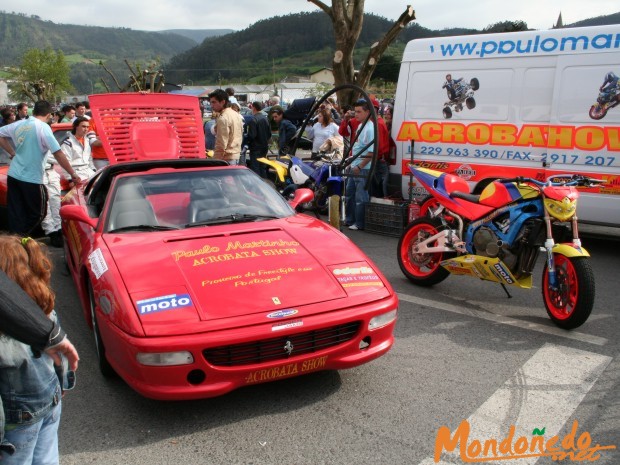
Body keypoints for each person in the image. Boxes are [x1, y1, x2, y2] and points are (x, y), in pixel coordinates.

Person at [0, 235, 79, 464]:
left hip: (18, 417)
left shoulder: (6, 334)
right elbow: (61, 356)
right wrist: (62, 385)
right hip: (51, 400)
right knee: (47, 457)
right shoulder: (44, 312)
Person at [0, 100, 81, 236]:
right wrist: (73, 173)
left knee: (16, 213)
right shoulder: (43, 127)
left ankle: (16, 242)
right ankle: (23, 238)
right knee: (39, 214)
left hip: (13, 175)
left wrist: (12, 153)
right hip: (31, 179)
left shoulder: (19, 124)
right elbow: (58, 153)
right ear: (49, 114)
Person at [344, 99, 374, 231]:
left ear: (367, 112)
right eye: (355, 111)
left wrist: (360, 166)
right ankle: (350, 219)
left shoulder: (370, 128)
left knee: (360, 197)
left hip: (362, 168)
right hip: (355, 166)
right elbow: (358, 147)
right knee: (350, 194)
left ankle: (359, 223)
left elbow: (371, 152)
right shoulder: (361, 126)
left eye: (359, 112)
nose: (356, 114)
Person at [208, 89, 243, 164]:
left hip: (226, 158)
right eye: (210, 102)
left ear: (223, 102)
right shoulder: (236, 114)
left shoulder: (223, 118)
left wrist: (216, 161)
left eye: (214, 102)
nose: (211, 105)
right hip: (236, 155)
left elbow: (221, 143)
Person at [60, 117, 96, 182]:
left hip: (89, 171)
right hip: (76, 173)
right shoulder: (68, 143)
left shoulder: (87, 141)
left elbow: (89, 158)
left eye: (87, 127)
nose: (86, 129)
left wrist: (93, 170)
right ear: (76, 127)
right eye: (83, 126)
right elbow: (65, 162)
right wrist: (70, 179)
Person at [245, 101, 272, 178]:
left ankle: (257, 185)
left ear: (253, 107)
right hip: (264, 146)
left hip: (255, 147)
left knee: (255, 167)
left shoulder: (253, 120)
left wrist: (246, 138)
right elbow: (269, 134)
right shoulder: (266, 119)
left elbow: (252, 135)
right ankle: (265, 183)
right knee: (262, 166)